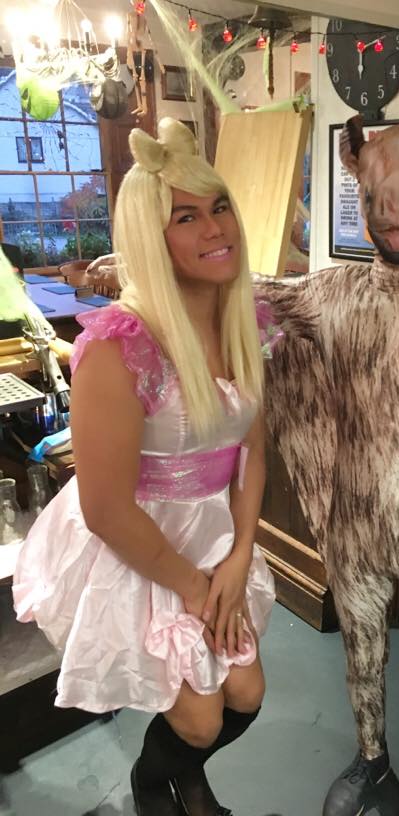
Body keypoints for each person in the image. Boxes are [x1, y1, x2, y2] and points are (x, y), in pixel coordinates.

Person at [13, 117, 276, 816]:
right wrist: (194, 587)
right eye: (185, 217)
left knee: (247, 696)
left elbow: (252, 449)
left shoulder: (241, 322)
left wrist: (240, 555)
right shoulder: (118, 348)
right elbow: (105, 509)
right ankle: (154, 782)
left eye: (219, 207)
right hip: (139, 542)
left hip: (215, 532)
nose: (215, 228)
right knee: (201, 719)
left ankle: (178, 778)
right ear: (150, 238)